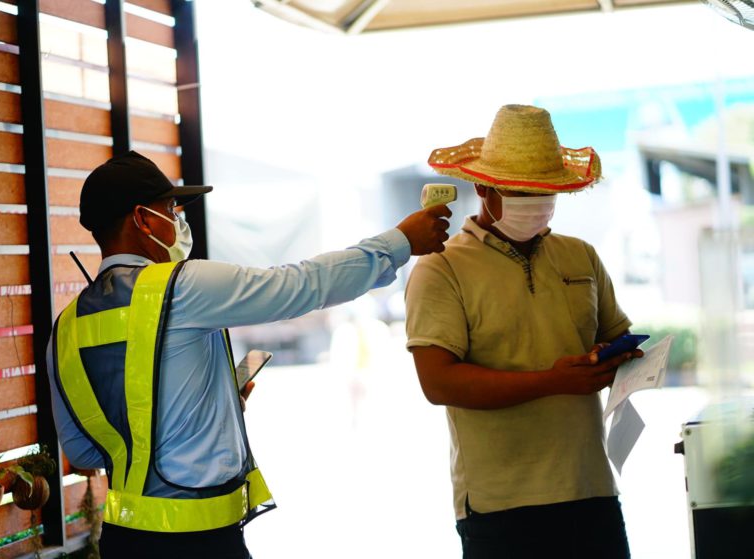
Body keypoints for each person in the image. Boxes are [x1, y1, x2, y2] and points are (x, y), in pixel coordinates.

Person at [46, 150, 451, 558]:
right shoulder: (181, 286)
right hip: (199, 542)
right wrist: (399, 243)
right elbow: (299, 285)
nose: (178, 221)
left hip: (123, 543)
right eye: (170, 209)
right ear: (143, 219)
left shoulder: (66, 327)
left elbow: (84, 451)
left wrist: (202, 407)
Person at [404, 104, 641, 559]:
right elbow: (438, 382)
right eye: (519, 191)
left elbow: (618, 335)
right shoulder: (441, 268)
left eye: (545, 190)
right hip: (500, 503)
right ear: (482, 187)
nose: (535, 202)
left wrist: (615, 358)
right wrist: (553, 381)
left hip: (591, 488)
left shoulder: (580, 255)